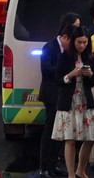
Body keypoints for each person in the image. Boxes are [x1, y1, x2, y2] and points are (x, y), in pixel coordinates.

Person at [53, 26, 94, 178]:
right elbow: (58, 81)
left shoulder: (91, 57)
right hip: (69, 102)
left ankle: (81, 169)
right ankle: (71, 174)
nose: (82, 45)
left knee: (91, 137)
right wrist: (71, 74)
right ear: (73, 41)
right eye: (79, 42)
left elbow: (93, 82)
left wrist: (90, 74)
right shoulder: (64, 57)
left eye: (85, 42)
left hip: (86, 101)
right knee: (70, 139)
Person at [40, 22, 75, 177]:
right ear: (65, 37)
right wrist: (65, 71)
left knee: (59, 133)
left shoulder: (67, 51)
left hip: (63, 95)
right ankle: (44, 167)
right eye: (72, 42)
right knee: (49, 133)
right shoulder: (49, 47)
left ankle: (54, 164)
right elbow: (46, 69)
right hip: (51, 95)